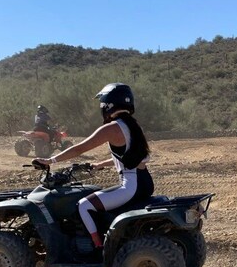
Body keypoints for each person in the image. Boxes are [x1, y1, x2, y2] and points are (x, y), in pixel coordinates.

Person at [34, 83, 153, 249]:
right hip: (145, 184)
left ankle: (98, 247)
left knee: (84, 205)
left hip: (130, 188)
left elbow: (80, 148)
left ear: (107, 105)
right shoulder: (134, 126)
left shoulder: (111, 128)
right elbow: (133, 158)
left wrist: (51, 160)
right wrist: (101, 164)